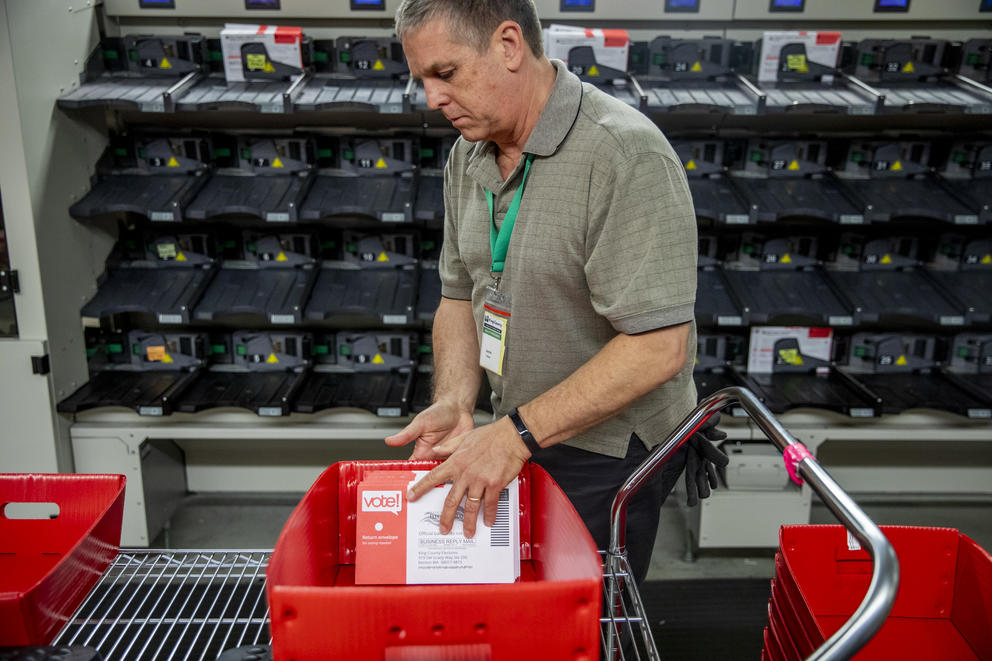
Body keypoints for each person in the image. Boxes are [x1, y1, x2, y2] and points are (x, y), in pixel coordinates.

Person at [386, 0, 726, 586]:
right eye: (422, 80)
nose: (431, 99)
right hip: (514, 424)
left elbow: (658, 347)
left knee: (580, 618)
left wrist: (517, 434)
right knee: (516, 602)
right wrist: (456, 400)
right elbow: (458, 294)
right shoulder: (467, 155)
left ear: (510, 46)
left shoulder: (624, 154)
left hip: (610, 448)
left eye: (446, 73)